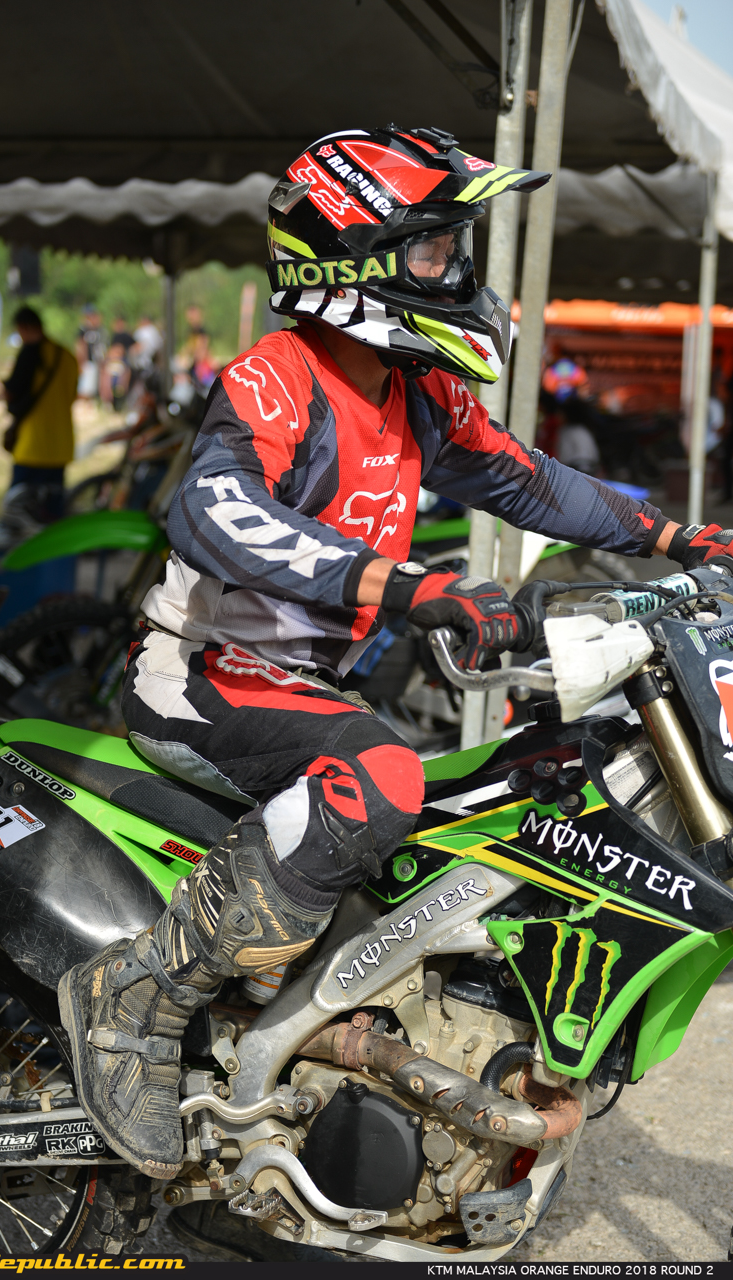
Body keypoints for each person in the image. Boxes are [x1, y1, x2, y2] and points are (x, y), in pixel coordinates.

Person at [58, 124, 733, 1180]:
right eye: (431, 249)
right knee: (384, 775)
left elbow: (526, 480)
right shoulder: (275, 379)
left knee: (489, 795)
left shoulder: (412, 389)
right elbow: (212, 509)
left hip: (307, 684)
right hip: (199, 676)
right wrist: (405, 585)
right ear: (349, 257)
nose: (455, 272)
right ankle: (137, 996)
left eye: (454, 248)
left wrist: (673, 535)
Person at [1, 306, 78, 521]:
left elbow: (13, 391)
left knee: (18, 511)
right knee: (52, 514)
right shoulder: (67, 356)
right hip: (61, 444)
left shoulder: (30, 353)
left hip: (33, 445)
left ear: (23, 327)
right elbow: (72, 395)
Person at [76, 306, 107, 400]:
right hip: (88, 362)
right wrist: (81, 361)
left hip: (97, 362)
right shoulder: (83, 330)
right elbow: (80, 346)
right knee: (85, 389)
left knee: (93, 388)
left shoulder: (100, 331)